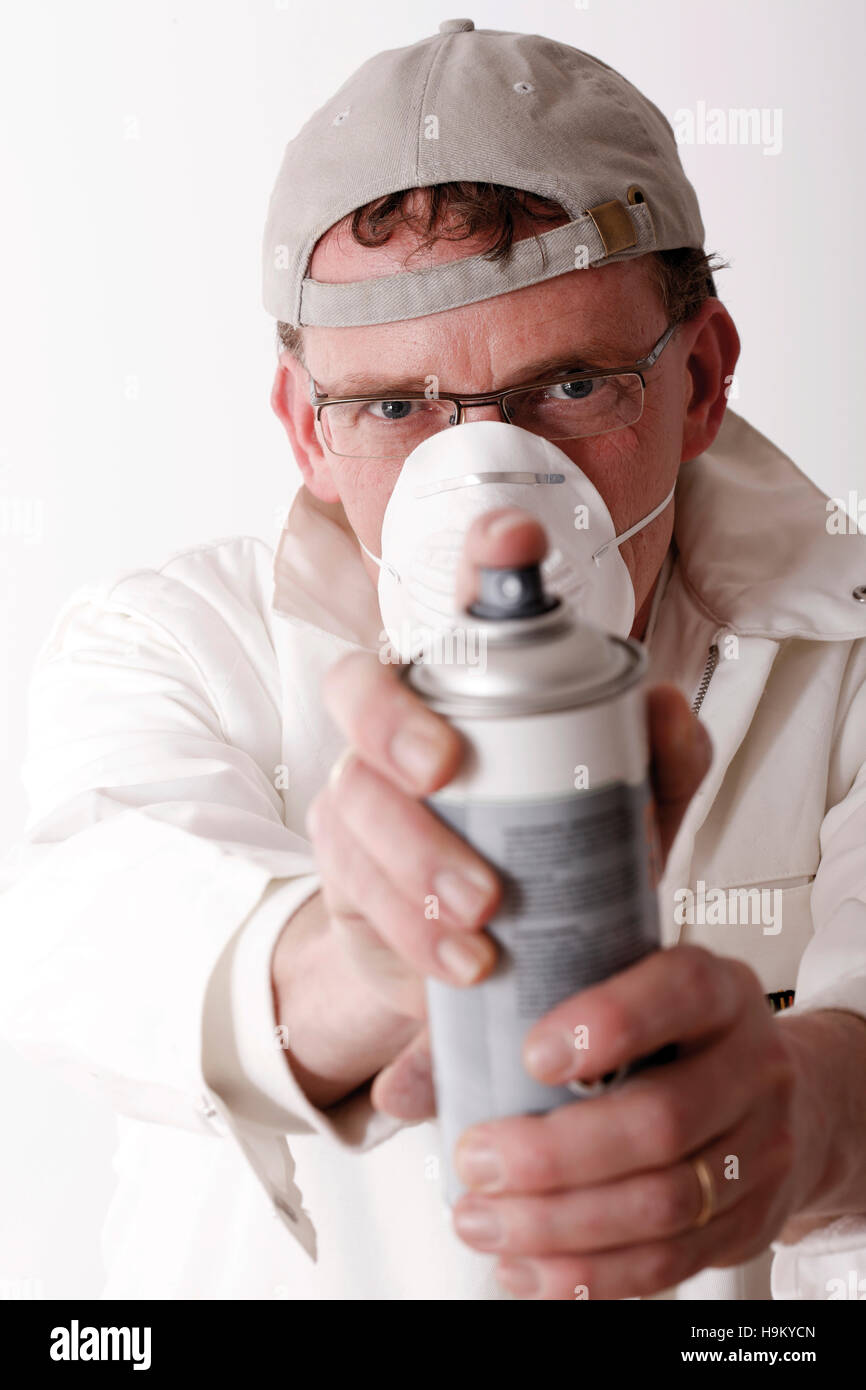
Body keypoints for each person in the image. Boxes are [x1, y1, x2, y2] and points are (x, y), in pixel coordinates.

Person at [2, 18, 866, 1301]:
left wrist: (802, 1131)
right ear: (306, 428)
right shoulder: (178, 649)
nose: (493, 497)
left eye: (569, 384)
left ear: (697, 380)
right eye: (393, 406)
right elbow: (80, 933)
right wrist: (354, 961)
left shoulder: (841, 666)